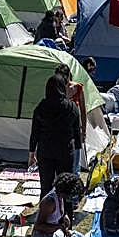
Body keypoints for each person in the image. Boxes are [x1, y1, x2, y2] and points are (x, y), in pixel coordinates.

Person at [28, 73, 82, 202]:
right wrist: (78, 148)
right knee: (66, 185)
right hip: (65, 150)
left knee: (46, 185)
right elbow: (76, 130)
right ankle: (66, 213)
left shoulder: (41, 107)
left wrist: (31, 153)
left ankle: (45, 212)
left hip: (45, 150)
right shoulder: (71, 107)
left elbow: (34, 131)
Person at [30, 172, 85, 237]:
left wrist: (64, 218)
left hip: (54, 232)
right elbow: (39, 226)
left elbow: (59, 215)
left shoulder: (60, 197)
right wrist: (59, 227)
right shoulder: (49, 202)